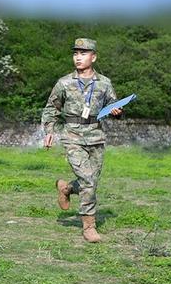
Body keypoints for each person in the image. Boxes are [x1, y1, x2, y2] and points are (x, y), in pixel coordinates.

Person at [42, 38, 122, 243]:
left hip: (96, 135)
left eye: (83, 53)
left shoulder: (104, 83)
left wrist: (116, 111)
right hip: (72, 136)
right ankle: (89, 227)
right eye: (76, 53)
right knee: (88, 180)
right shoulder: (64, 83)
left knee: (91, 181)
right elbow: (52, 109)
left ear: (93, 57)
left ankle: (66, 187)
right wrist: (49, 130)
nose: (78, 57)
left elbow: (114, 105)